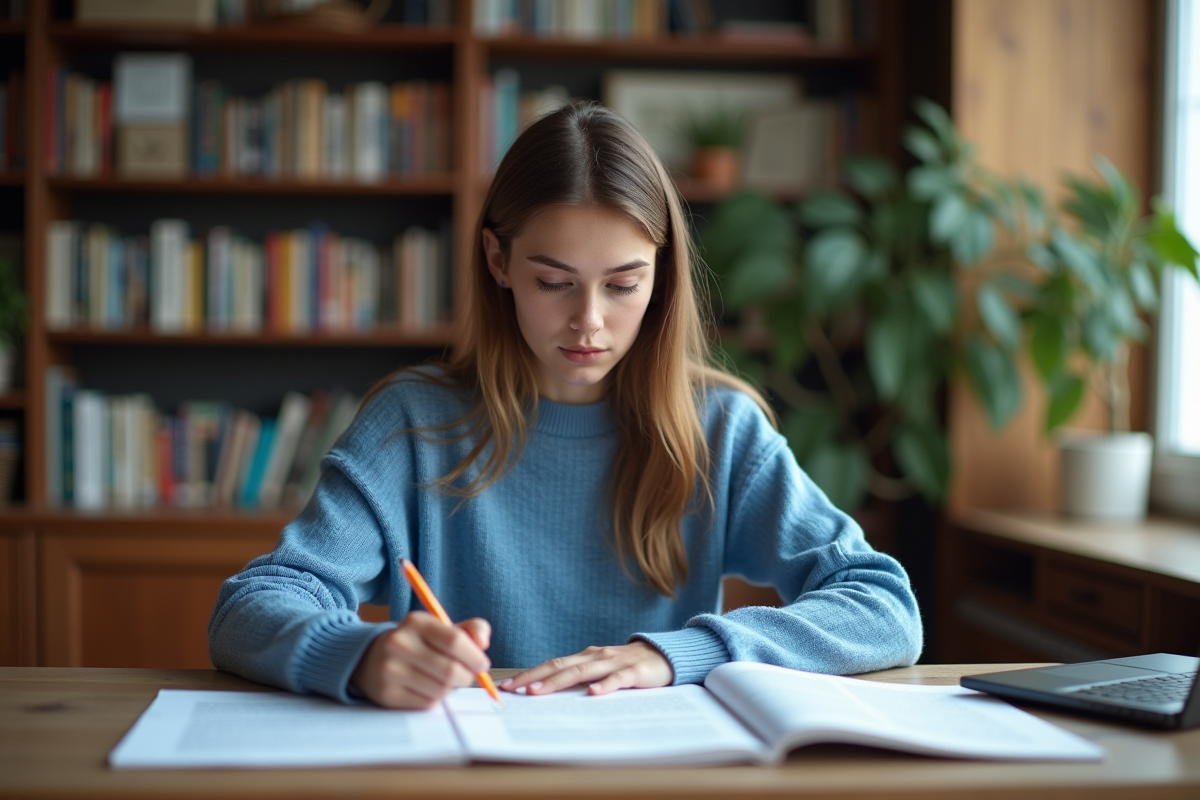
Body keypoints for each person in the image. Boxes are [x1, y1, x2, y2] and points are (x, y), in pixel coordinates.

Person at [208, 102, 922, 709]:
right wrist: (358, 656)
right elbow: (252, 605)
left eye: (622, 284)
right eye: (555, 282)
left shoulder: (717, 429)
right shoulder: (412, 423)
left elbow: (882, 605)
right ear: (499, 262)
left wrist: (686, 653)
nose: (589, 322)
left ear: (662, 273)